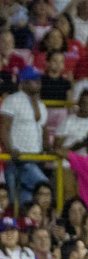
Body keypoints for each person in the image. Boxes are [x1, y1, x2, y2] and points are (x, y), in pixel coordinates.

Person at [0, 66, 49, 205]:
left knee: (25, 201)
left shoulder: (41, 105)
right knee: (43, 186)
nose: (38, 82)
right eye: (33, 80)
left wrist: (47, 148)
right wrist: (10, 149)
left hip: (37, 158)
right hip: (19, 159)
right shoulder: (12, 100)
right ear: (23, 83)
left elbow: (43, 129)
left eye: (38, 79)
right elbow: (4, 127)